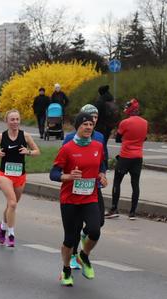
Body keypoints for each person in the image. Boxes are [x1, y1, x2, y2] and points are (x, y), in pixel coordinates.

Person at [50, 113, 107, 286]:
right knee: (70, 238)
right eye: (85, 124)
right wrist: (68, 176)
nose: (89, 127)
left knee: (95, 230)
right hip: (70, 200)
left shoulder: (98, 146)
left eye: (91, 124)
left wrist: (102, 176)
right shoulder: (67, 148)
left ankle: (84, 255)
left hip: (90, 197)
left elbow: (101, 165)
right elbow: (53, 174)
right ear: (78, 127)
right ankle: (66, 269)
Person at [62, 104, 108, 269]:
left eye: (95, 118)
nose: (92, 121)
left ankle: (85, 235)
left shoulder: (100, 138)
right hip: (74, 190)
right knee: (73, 228)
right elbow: (62, 163)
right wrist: (68, 176)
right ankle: (73, 256)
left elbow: (103, 161)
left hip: (93, 187)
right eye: (89, 118)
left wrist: (102, 174)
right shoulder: (69, 139)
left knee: (98, 222)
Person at [0, 109, 41, 247]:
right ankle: (11, 234)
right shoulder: (1, 136)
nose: (15, 122)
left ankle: (2, 226)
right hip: (4, 174)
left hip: (20, 176)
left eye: (17, 119)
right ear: (6, 121)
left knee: (10, 205)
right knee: (12, 203)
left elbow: (37, 151)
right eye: (12, 119)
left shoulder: (26, 136)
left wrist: (28, 152)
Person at [106, 99, 148, 221]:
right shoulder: (145, 122)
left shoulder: (124, 122)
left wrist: (127, 140)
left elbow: (118, 139)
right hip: (138, 157)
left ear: (129, 110)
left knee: (117, 182)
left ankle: (114, 209)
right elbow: (144, 138)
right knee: (135, 184)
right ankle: (132, 212)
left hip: (125, 156)